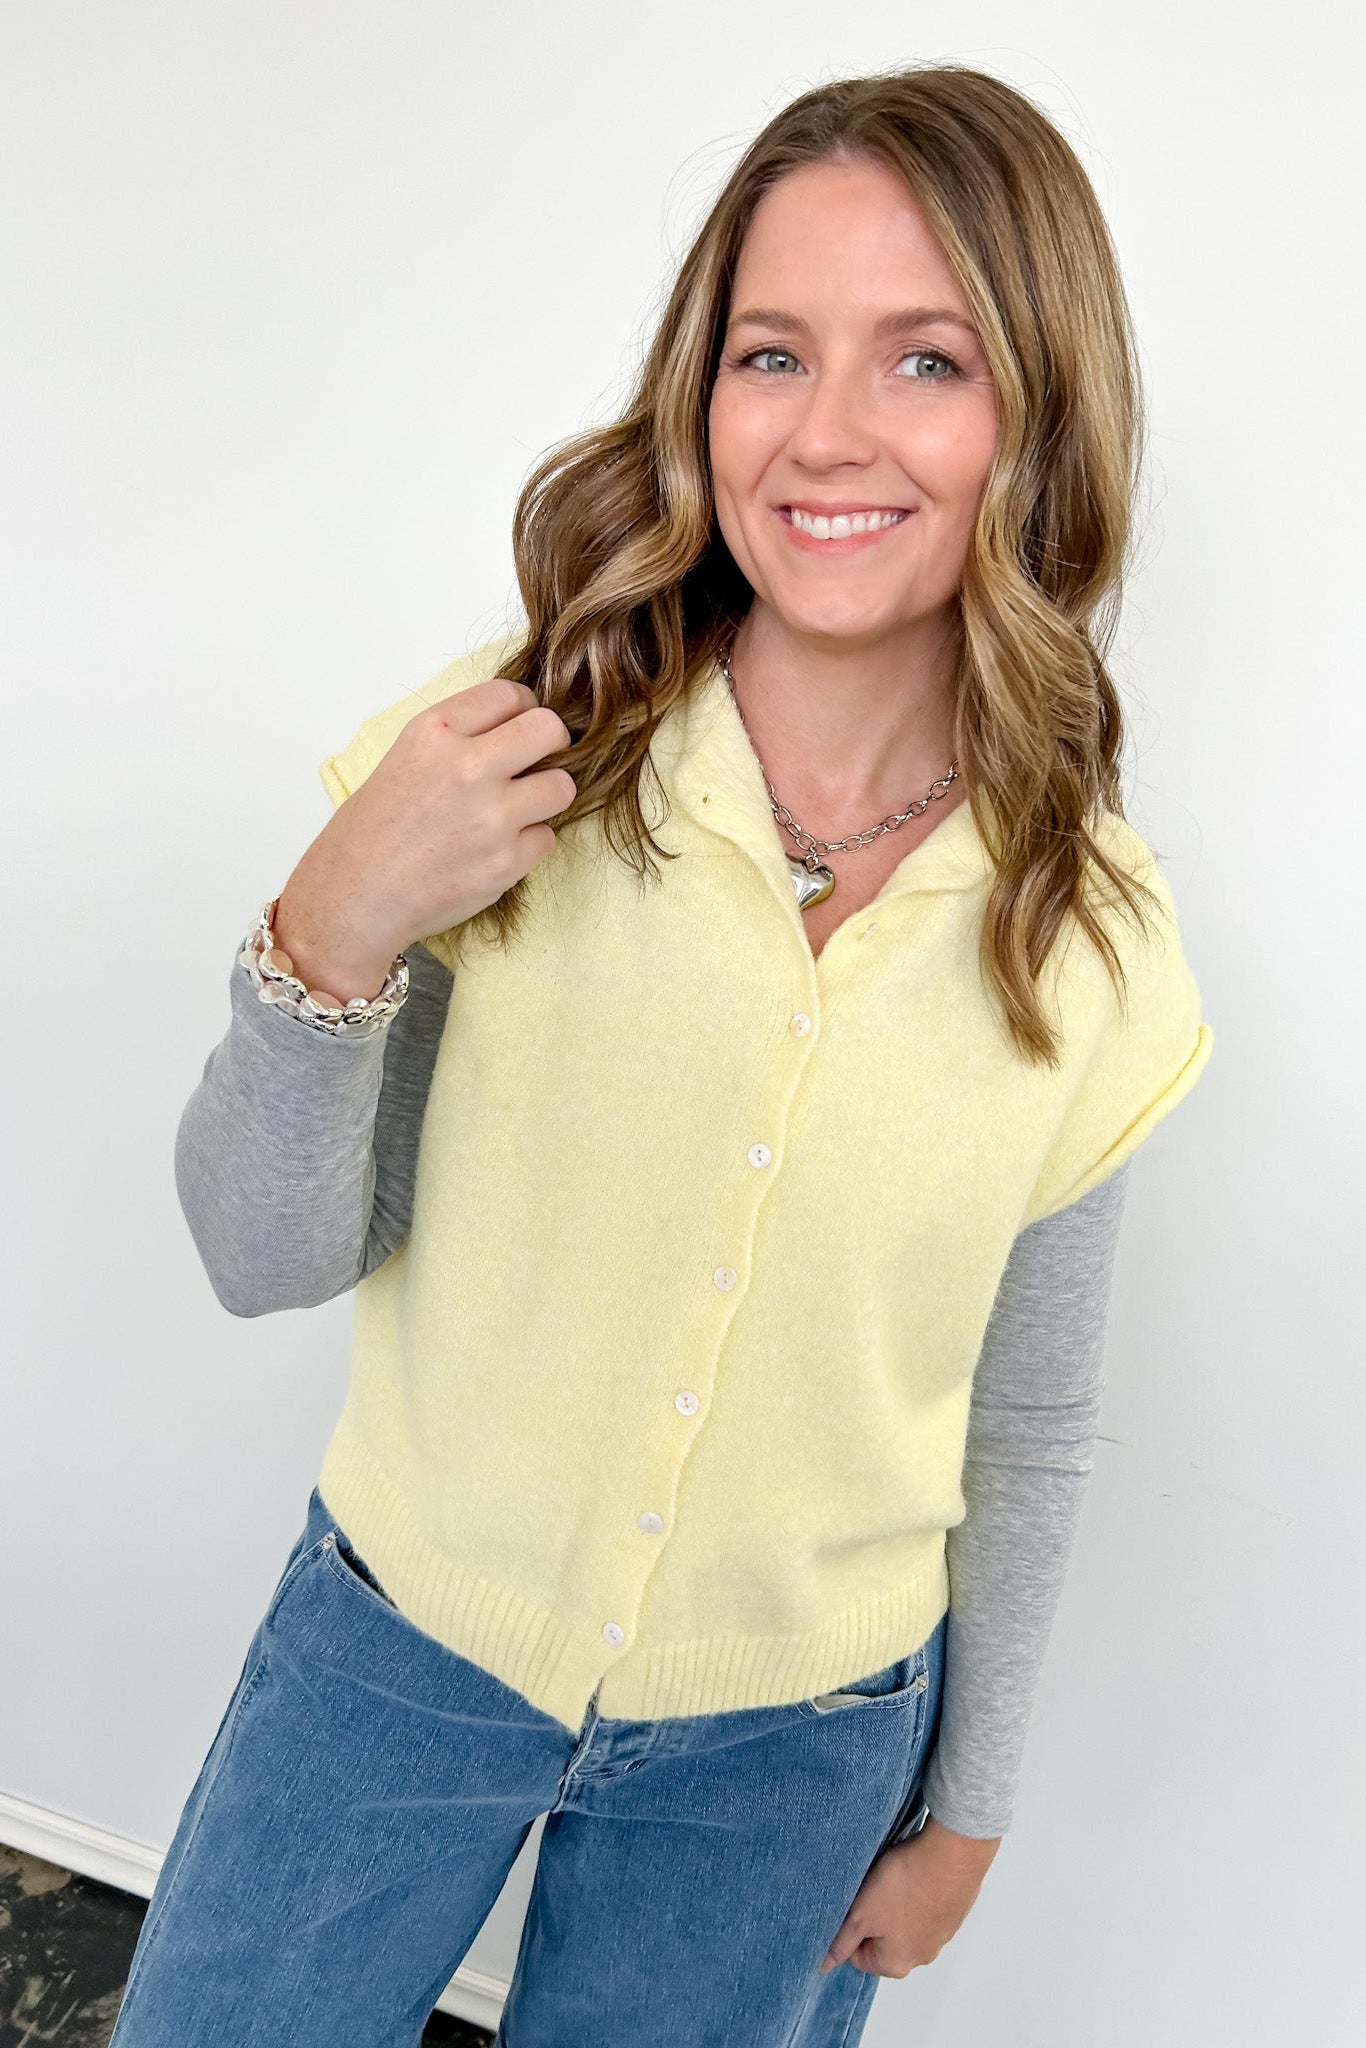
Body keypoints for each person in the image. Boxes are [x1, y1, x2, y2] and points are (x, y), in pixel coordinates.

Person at [109, 61, 1212, 2048]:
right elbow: (253, 1249)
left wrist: (966, 1806)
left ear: (1036, 414)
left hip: (793, 1750)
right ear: (697, 392)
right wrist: (329, 917)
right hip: (395, 1647)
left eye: (926, 361)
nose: (826, 431)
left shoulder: (1090, 928)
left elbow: (1023, 1419)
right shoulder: (516, 750)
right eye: (769, 351)